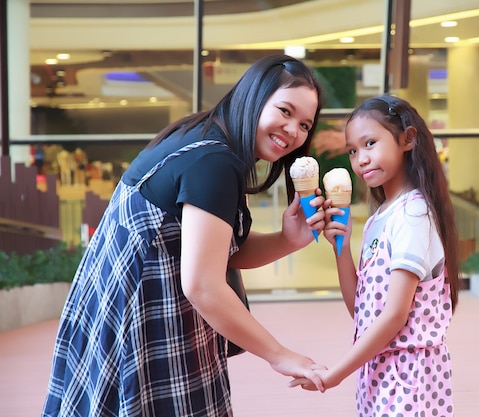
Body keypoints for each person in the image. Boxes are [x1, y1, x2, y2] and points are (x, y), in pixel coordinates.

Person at [42, 54, 327, 417]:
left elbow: (215, 253)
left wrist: (288, 240)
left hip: (125, 318)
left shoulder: (208, 139)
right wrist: (280, 355)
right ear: (254, 97)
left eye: (305, 124)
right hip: (144, 330)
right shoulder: (215, 162)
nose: (293, 131)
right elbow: (203, 284)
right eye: (285, 111)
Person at [291, 95, 461, 417]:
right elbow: (361, 309)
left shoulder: (413, 213)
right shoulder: (378, 218)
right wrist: (341, 248)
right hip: (378, 372)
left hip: (409, 375)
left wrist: (334, 375)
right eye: (353, 151)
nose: (361, 159)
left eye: (370, 143)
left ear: (407, 140)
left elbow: (395, 315)